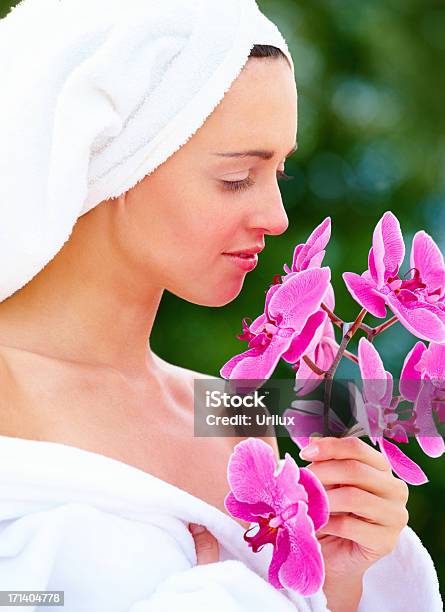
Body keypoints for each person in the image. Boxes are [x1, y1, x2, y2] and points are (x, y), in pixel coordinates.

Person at [0, 1, 442, 611]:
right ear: (112, 158)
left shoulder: (234, 411)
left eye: (279, 175)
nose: (278, 218)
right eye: (237, 177)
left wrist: (339, 582)